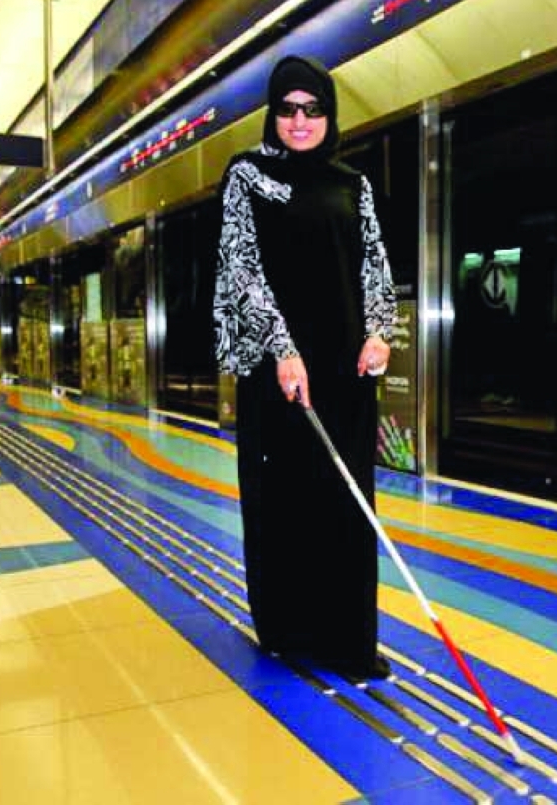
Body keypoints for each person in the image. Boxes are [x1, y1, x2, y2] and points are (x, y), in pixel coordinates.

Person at [213, 55, 396, 680]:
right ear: (273, 114)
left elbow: (374, 264)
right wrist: (282, 348)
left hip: (345, 371)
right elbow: (241, 266)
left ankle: (348, 639)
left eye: (313, 109)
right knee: (286, 503)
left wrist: (379, 332)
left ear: (329, 114)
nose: (299, 120)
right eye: (287, 109)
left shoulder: (353, 184)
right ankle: (289, 630)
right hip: (278, 372)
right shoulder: (249, 175)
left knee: (346, 503)